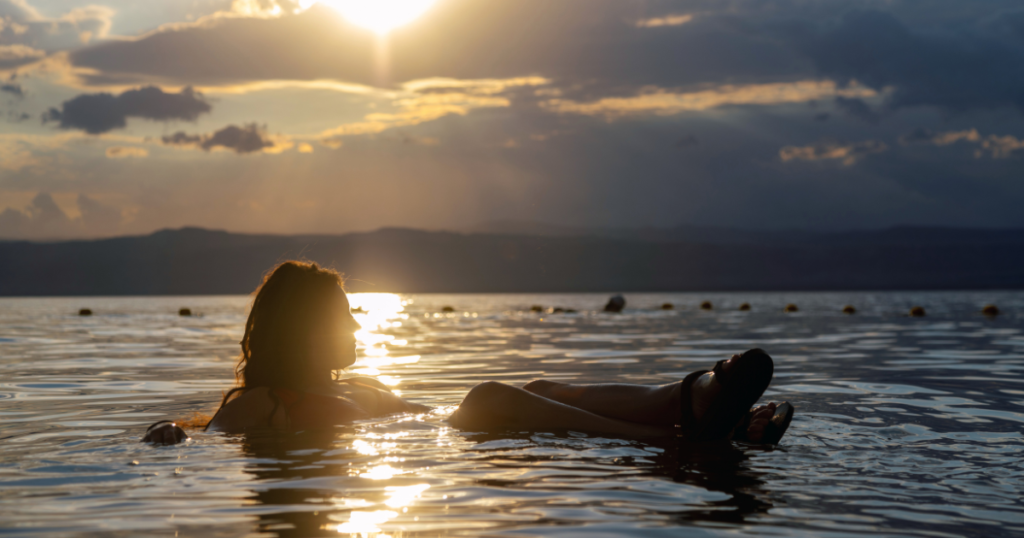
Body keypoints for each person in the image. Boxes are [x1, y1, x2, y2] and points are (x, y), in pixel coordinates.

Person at [144, 261, 792, 445]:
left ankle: (687, 405)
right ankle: (681, 436)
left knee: (526, 383)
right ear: (304, 328)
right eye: (341, 313)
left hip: (432, 434)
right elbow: (205, 435)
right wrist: (168, 431)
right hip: (441, 447)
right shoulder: (262, 402)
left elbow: (424, 414)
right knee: (488, 397)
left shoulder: (361, 383)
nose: (353, 321)